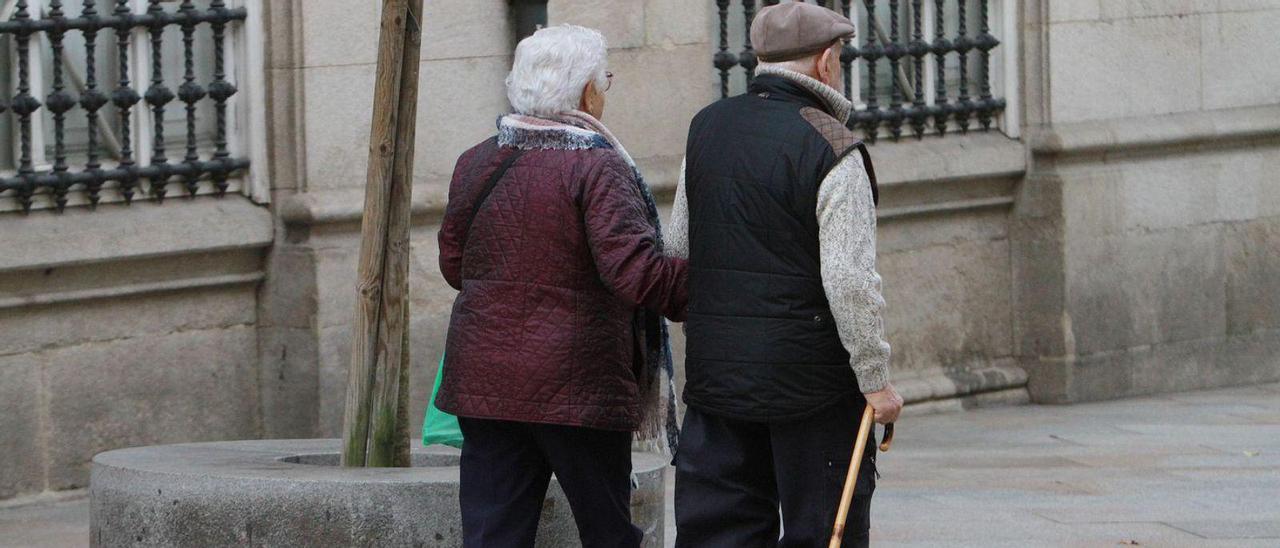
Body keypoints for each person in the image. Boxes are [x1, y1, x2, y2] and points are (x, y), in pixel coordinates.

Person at [434, 25, 687, 548]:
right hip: (577, 385)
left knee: (492, 534)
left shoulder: (477, 159)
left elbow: (454, 265)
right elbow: (635, 272)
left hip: (486, 383)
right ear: (586, 92)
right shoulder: (597, 165)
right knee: (607, 532)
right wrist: (716, 284)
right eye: (604, 81)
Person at [667, 3, 904, 547]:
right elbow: (849, 280)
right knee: (821, 531)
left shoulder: (707, 127)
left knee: (717, 535)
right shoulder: (834, 146)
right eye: (840, 56)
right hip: (812, 390)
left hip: (716, 380)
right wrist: (876, 380)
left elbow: (678, 249)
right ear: (826, 62)